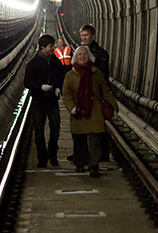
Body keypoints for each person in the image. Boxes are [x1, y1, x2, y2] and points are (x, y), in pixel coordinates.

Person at [62, 45, 118, 177]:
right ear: (75, 57)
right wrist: (72, 107)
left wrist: (114, 106)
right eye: (80, 55)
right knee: (79, 139)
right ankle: (80, 163)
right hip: (79, 111)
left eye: (85, 54)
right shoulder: (70, 75)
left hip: (95, 110)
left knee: (95, 139)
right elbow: (67, 94)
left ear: (89, 57)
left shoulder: (96, 73)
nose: (82, 57)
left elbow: (104, 90)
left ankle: (94, 165)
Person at [23, 34, 64, 168]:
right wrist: (40, 87)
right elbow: (27, 82)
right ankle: (42, 158)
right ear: (42, 47)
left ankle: (52, 155)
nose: (53, 48)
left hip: (52, 100)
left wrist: (58, 88)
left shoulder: (56, 62)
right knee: (39, 131)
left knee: (55, 128)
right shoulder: (33, 64)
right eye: (51, 46)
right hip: (39, 102)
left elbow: (61, 77)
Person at [79, 24, 112, 163]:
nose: (84, 38)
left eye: (86, 35)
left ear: (93, 36)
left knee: (98, 126)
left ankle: (102, 154)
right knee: (86, 124)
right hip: (85, 94)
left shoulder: (100, 54)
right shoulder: (80, 51)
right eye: (82, 36)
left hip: (97, 95)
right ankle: (87, 154)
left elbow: (103, 76)